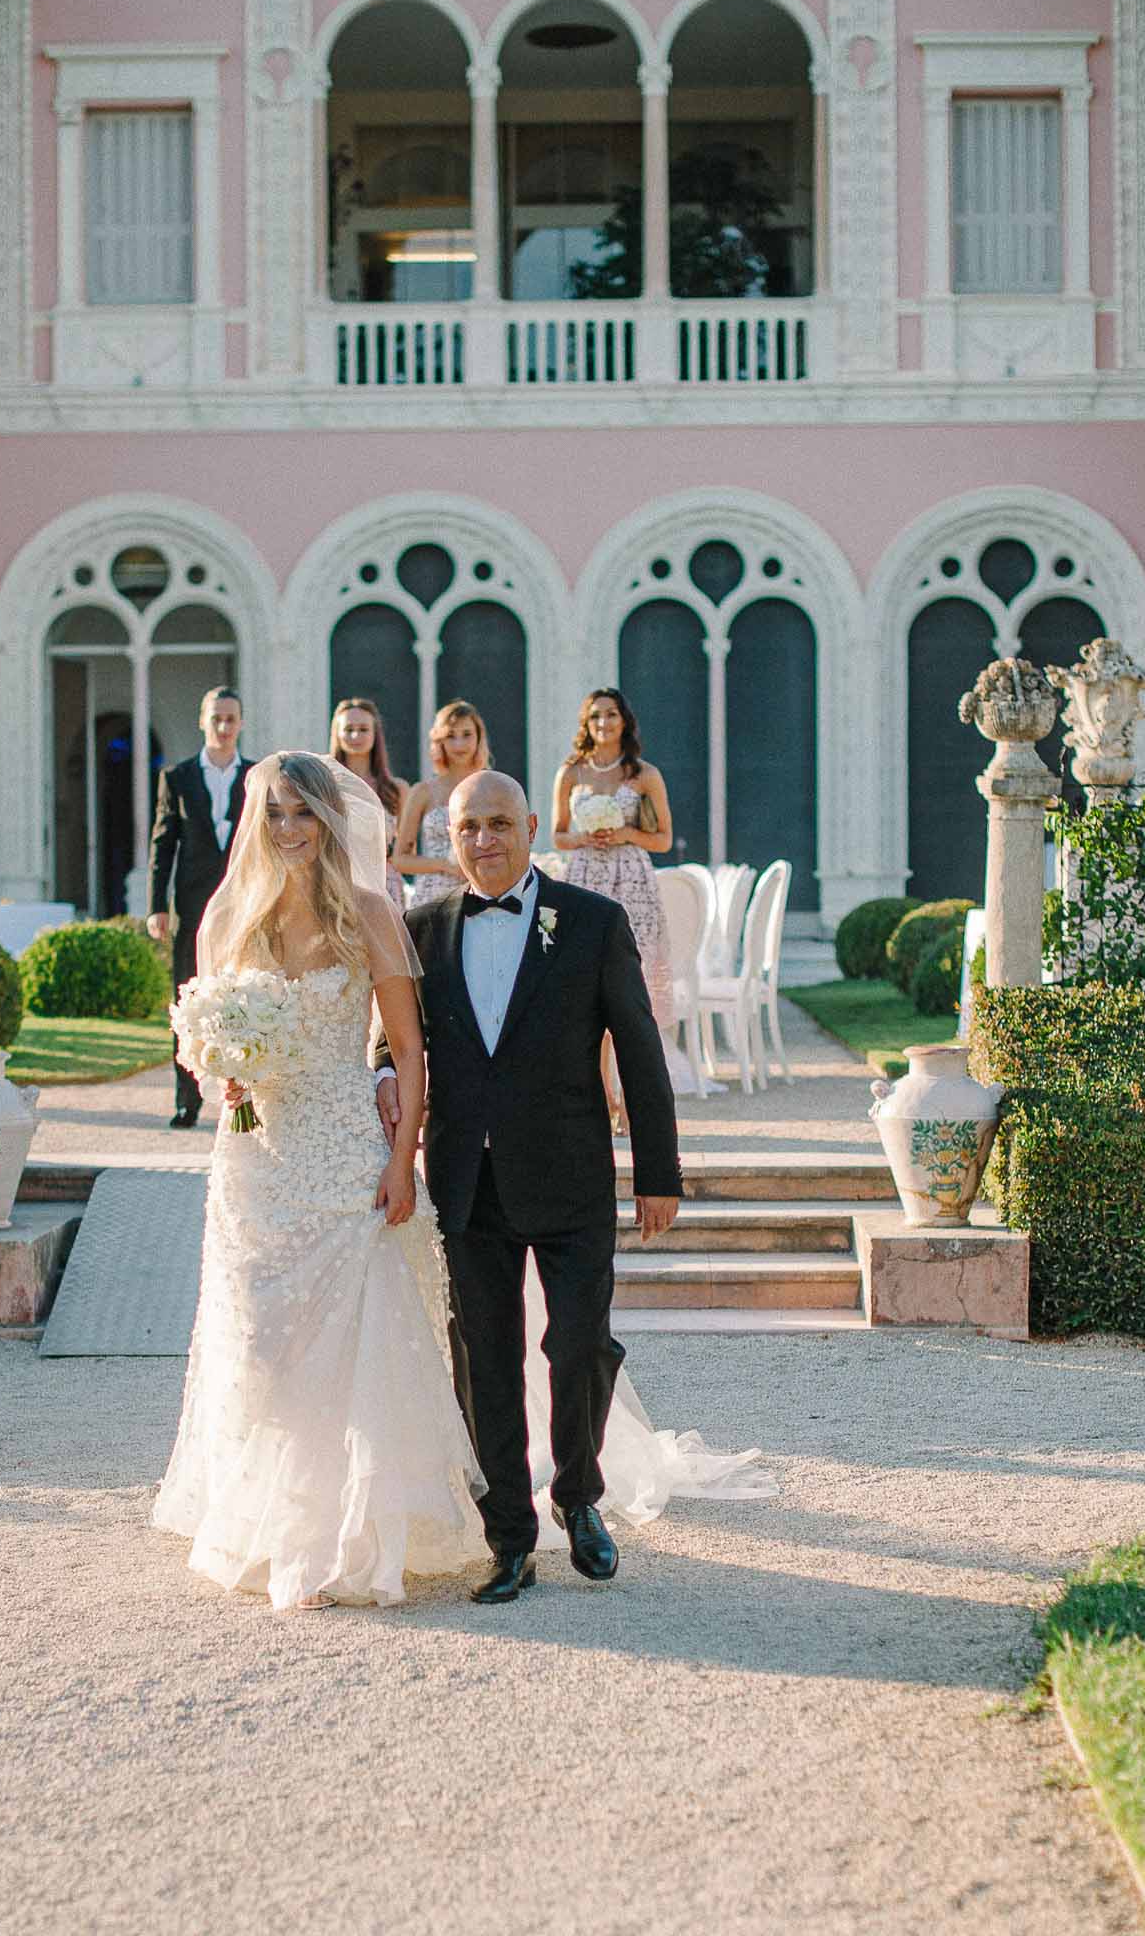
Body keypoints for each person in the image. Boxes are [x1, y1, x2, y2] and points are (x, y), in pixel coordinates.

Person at [377, 769, 775, 1605]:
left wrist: (658, 1174)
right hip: (467, 1180)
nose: (482, 840)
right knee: (483, 1360)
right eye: (466, 828)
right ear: (449, 837)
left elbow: (638, 1048)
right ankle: (510, 1538)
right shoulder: (420, 931)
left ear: (529, 825)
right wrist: (382, 1087)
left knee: (582, 1345)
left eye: (497, 823)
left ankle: (579, 1495)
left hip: (571, 1172)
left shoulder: (592, 922)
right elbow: (396, 1048)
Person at [151, 752, 489, 1609]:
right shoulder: (232, 918)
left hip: (344, 1149)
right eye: (274, 814)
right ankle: (277, 1521)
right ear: (254, 824)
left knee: (353, 1338)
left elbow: (410, 1050)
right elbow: (203, 1031)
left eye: (304, 814)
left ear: (332, 823)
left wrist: (404, 1153)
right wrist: (218, 1072)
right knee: (263, 1339)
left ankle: (359, 1532)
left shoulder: (371, 914)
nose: (290, 829)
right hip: (257, 1155)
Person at [552, 686, 700, 1123]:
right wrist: (584, 837)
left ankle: (636, 1100)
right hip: (584, 878)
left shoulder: (644, 774)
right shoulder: (572, 773)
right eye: (595, 717)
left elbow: (665, 839)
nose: (603, 724)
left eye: (611, 715)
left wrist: (626, 834)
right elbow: (556, 834)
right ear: (586, 724)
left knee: (630, 991)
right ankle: (602, 1097)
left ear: (624, 720)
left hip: (632, 880)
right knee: (586, 992)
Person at [146, 688, 254, 1129]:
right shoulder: (177, 777)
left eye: (231, 719)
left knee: (246, 999)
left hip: (245, 905)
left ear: (241, 723)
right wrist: (157, 906)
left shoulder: (255, 776)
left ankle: (246, 1097)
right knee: (187, 999)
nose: (224, 728)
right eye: (217, 720)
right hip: (192, 907)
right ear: (202, 721)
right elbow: (163, 844)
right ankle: (187, 1100)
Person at [392, 698, 487, 909]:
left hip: (482, 893)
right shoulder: (423, 792)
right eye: (451, 736)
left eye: (467, 735)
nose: (459, 744)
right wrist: (446, 865)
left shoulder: (491, 786)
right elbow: (400, 859)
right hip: (432, 898)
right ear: (439, 741)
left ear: (479, 737)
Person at [329, 697, 408, 903]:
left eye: (363, 729)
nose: (356, 735)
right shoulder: (325, 785)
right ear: (337, 734)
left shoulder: (396, 789)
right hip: (340, 883)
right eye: (348, 729)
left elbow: (407, 850)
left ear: (375, 734)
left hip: (385, 885)